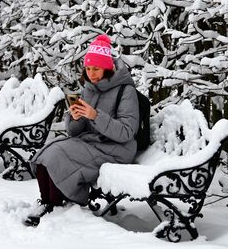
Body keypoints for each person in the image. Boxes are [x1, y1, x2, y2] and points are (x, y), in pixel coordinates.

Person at [23, 34, 140, 227]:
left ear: (108, 68)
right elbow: (74, 132)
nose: (91, 73)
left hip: (117, 149)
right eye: (88, 68)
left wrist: (96, 116)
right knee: (49, 150)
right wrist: (75, 118)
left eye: (96, 68)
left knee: (58, 155)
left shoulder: (126, 91)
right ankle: (47, 202)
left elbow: (127, 132)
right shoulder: (89, 89)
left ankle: (55, 205)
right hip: (91, 143)